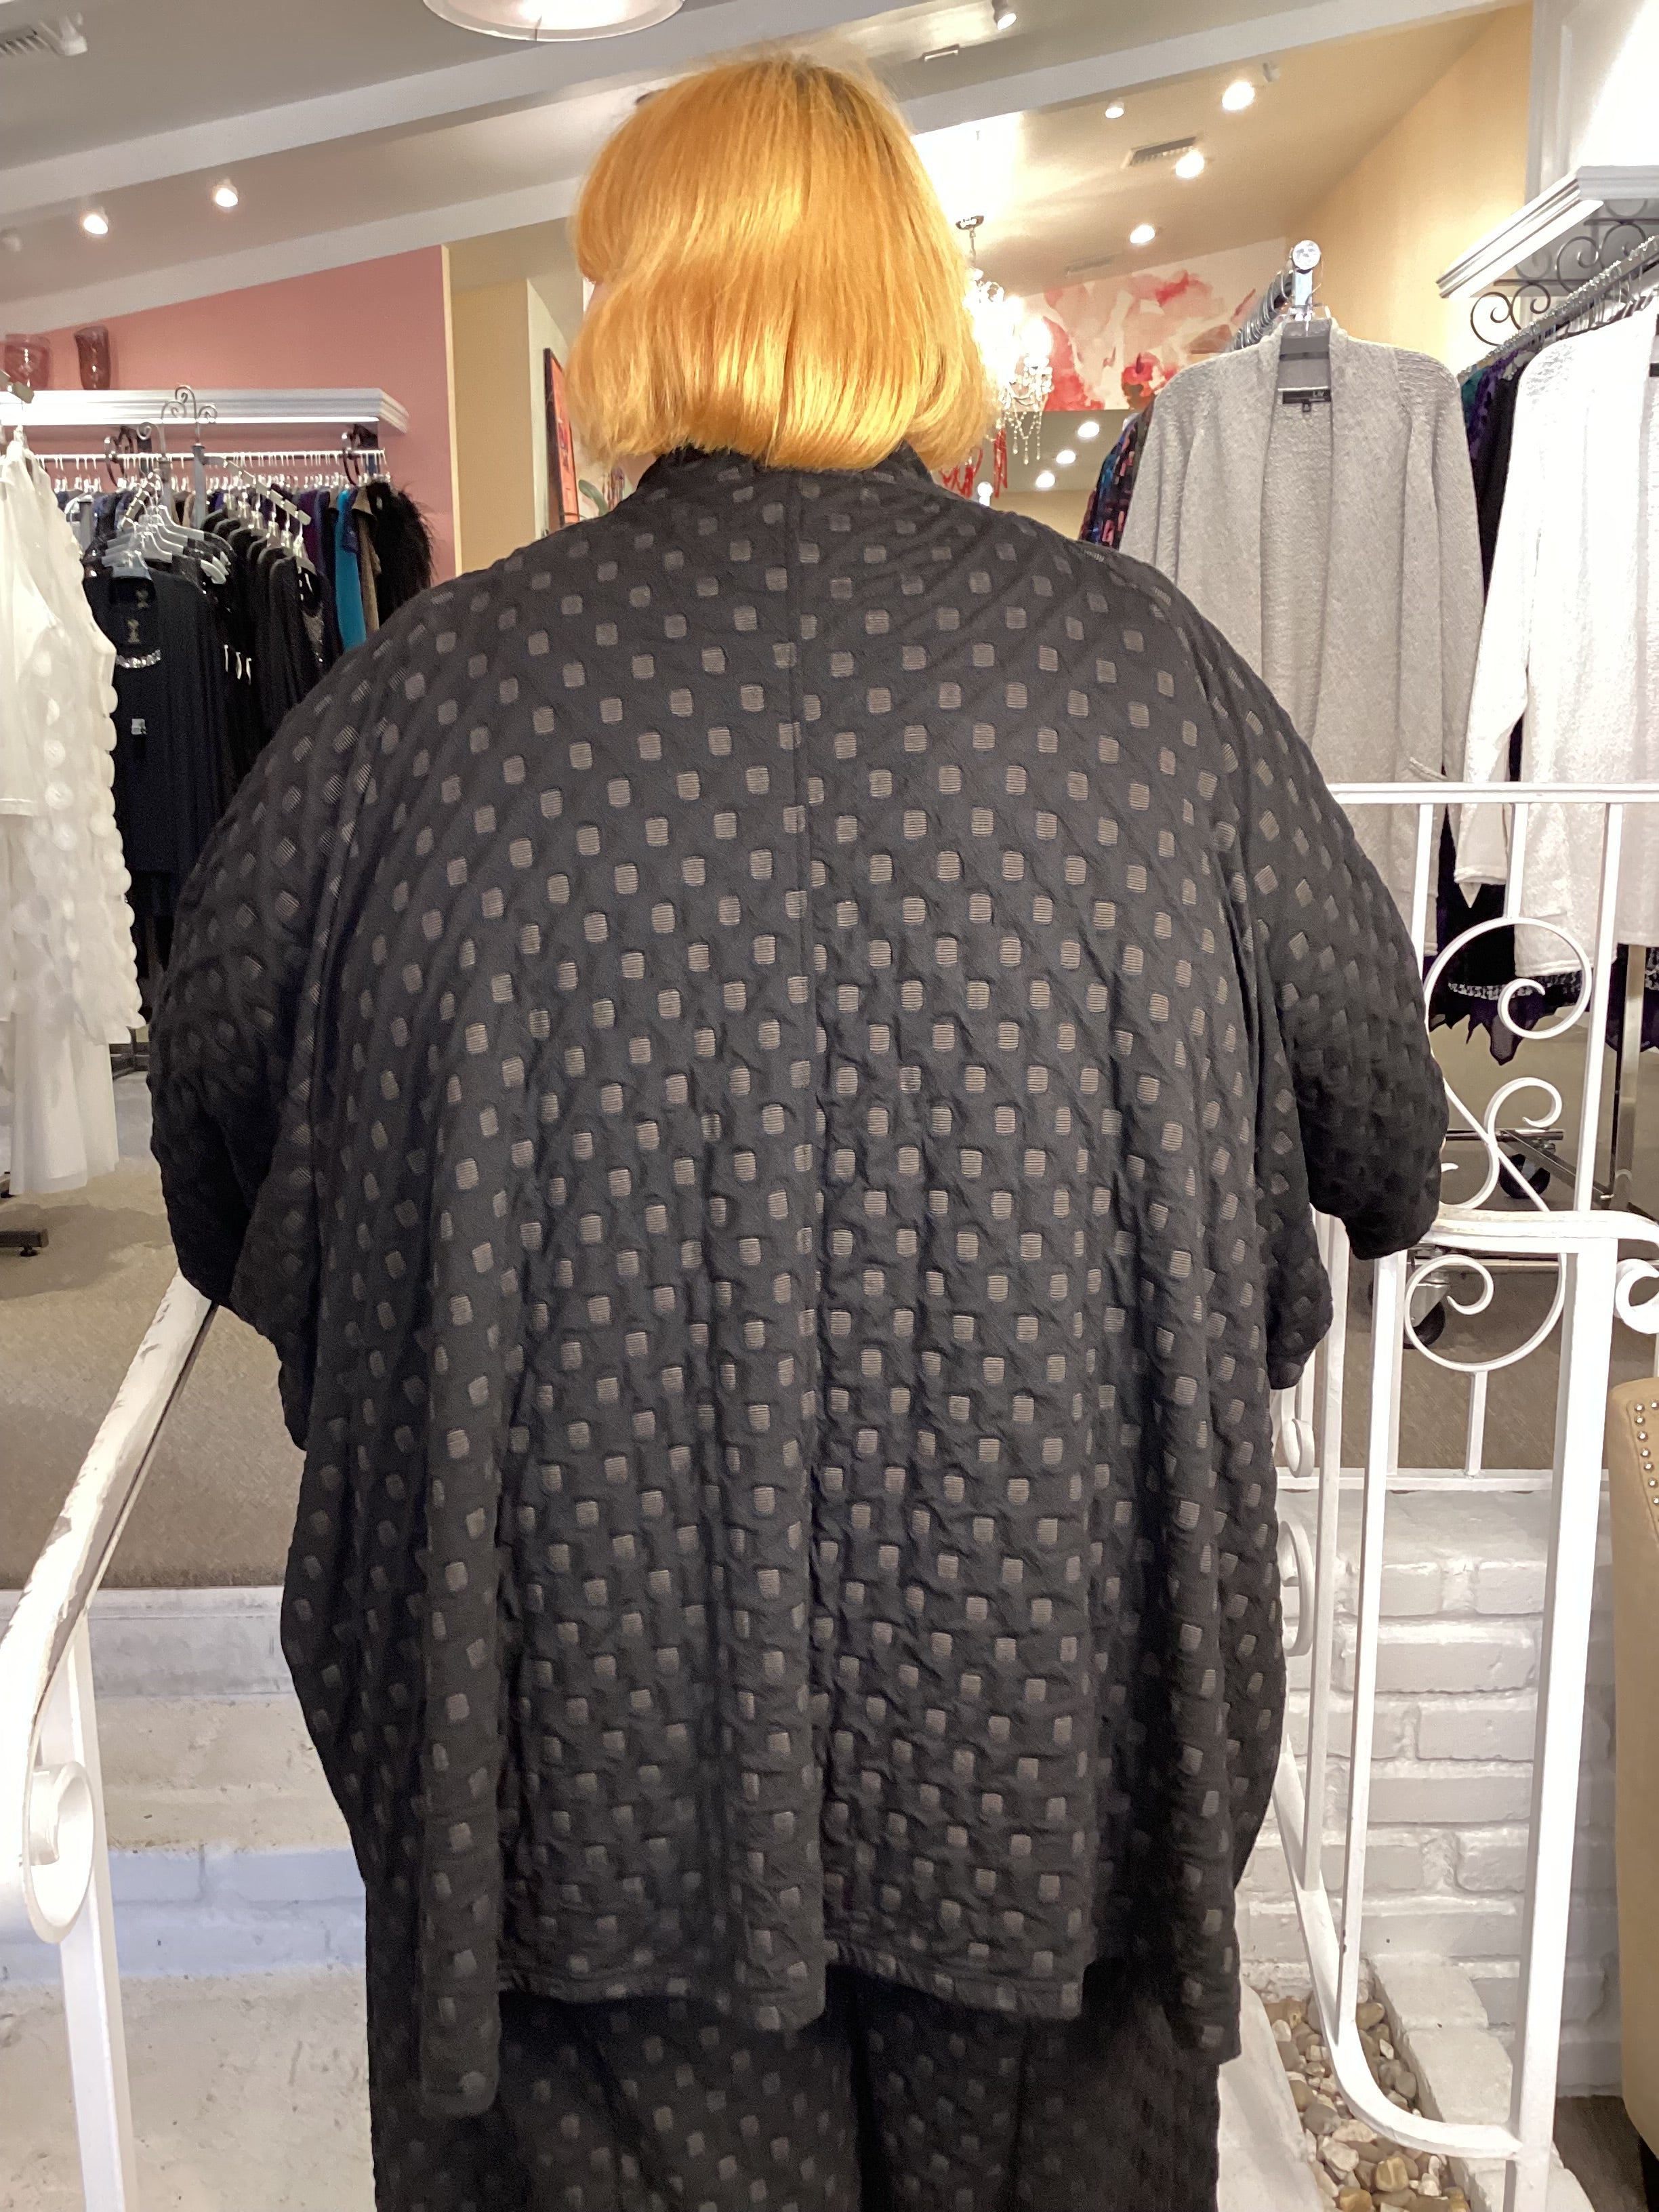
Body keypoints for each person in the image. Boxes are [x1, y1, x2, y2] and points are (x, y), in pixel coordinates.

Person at [148, 55, 1447, 2212]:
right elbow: (1385, 1132)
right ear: (914, 306)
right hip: (1053, 1741)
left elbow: (217, 1147)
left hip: (571, 1750)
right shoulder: (1155, 690)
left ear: (637, 315)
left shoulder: (416, 714)